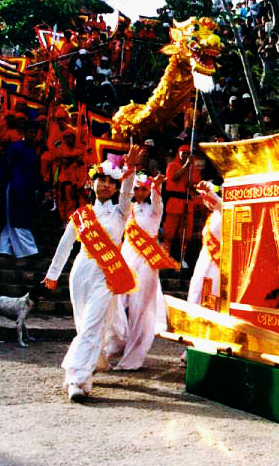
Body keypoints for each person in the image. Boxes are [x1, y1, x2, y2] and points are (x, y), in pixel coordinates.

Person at [43, 147, 139, 402]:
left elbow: (128, 192)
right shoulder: (82, 215)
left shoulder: (120, 211)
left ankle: (75, 378)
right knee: (84, 324)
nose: (106, 185)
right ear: (92, 182)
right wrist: (53, 274)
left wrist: (130, 171)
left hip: (106, 274)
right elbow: (65, 246)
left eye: (111, 182)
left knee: (92, 324)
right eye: (101, 180)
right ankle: (86, 375)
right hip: (81, 271)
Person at [106, 173, 177, 370]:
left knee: (140, 311)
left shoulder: (155, 210)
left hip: (146, 264)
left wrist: (156, 187)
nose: (139, 192)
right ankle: (114, 344)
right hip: (127, 260)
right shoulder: (127, 209)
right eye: (136, 189)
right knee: (115, 302)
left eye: (143, 189)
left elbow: (157, 200)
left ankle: (132, 359)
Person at [0, 121, 41, 258]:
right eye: (30, 132)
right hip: (13, 189)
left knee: (12, 219)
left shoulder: (33, 152)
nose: (32, 135)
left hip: (26, 190)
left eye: (35, 133)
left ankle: (4, 249)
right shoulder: (15, 147)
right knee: (17, 219)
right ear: (24, 133)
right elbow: (5, 167)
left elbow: (35, 173)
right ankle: (30, 251)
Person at [163, 145, 201, 267]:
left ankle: (182, 259)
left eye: (187, 153)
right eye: (183, 153)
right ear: (179, 153)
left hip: (187, 202)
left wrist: (193, 187)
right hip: (174, 201)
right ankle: (165, 257)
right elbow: (174, 178)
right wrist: (186, 165)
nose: (185, 156)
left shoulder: (193, 169)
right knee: (169, 233)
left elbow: (196, 186)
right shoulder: (172, 166)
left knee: (185, 234)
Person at [187, 180, 223, 307]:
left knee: (212, 292)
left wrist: (210, 192)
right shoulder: (214, 215)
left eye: (208, 198)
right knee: (197, 288)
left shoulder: (226, 211)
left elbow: (219, 204)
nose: (207, 202)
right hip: (205, 259)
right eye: (205, 199)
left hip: (218, 262)